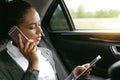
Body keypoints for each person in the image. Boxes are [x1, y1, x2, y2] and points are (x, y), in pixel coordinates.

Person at [0, 0, 91, 80]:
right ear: (14, 32)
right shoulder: (2, 66)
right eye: (32, 27)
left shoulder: (46, 53)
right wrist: (33, 65)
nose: (40, 31)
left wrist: (73, 76)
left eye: (39, 24)